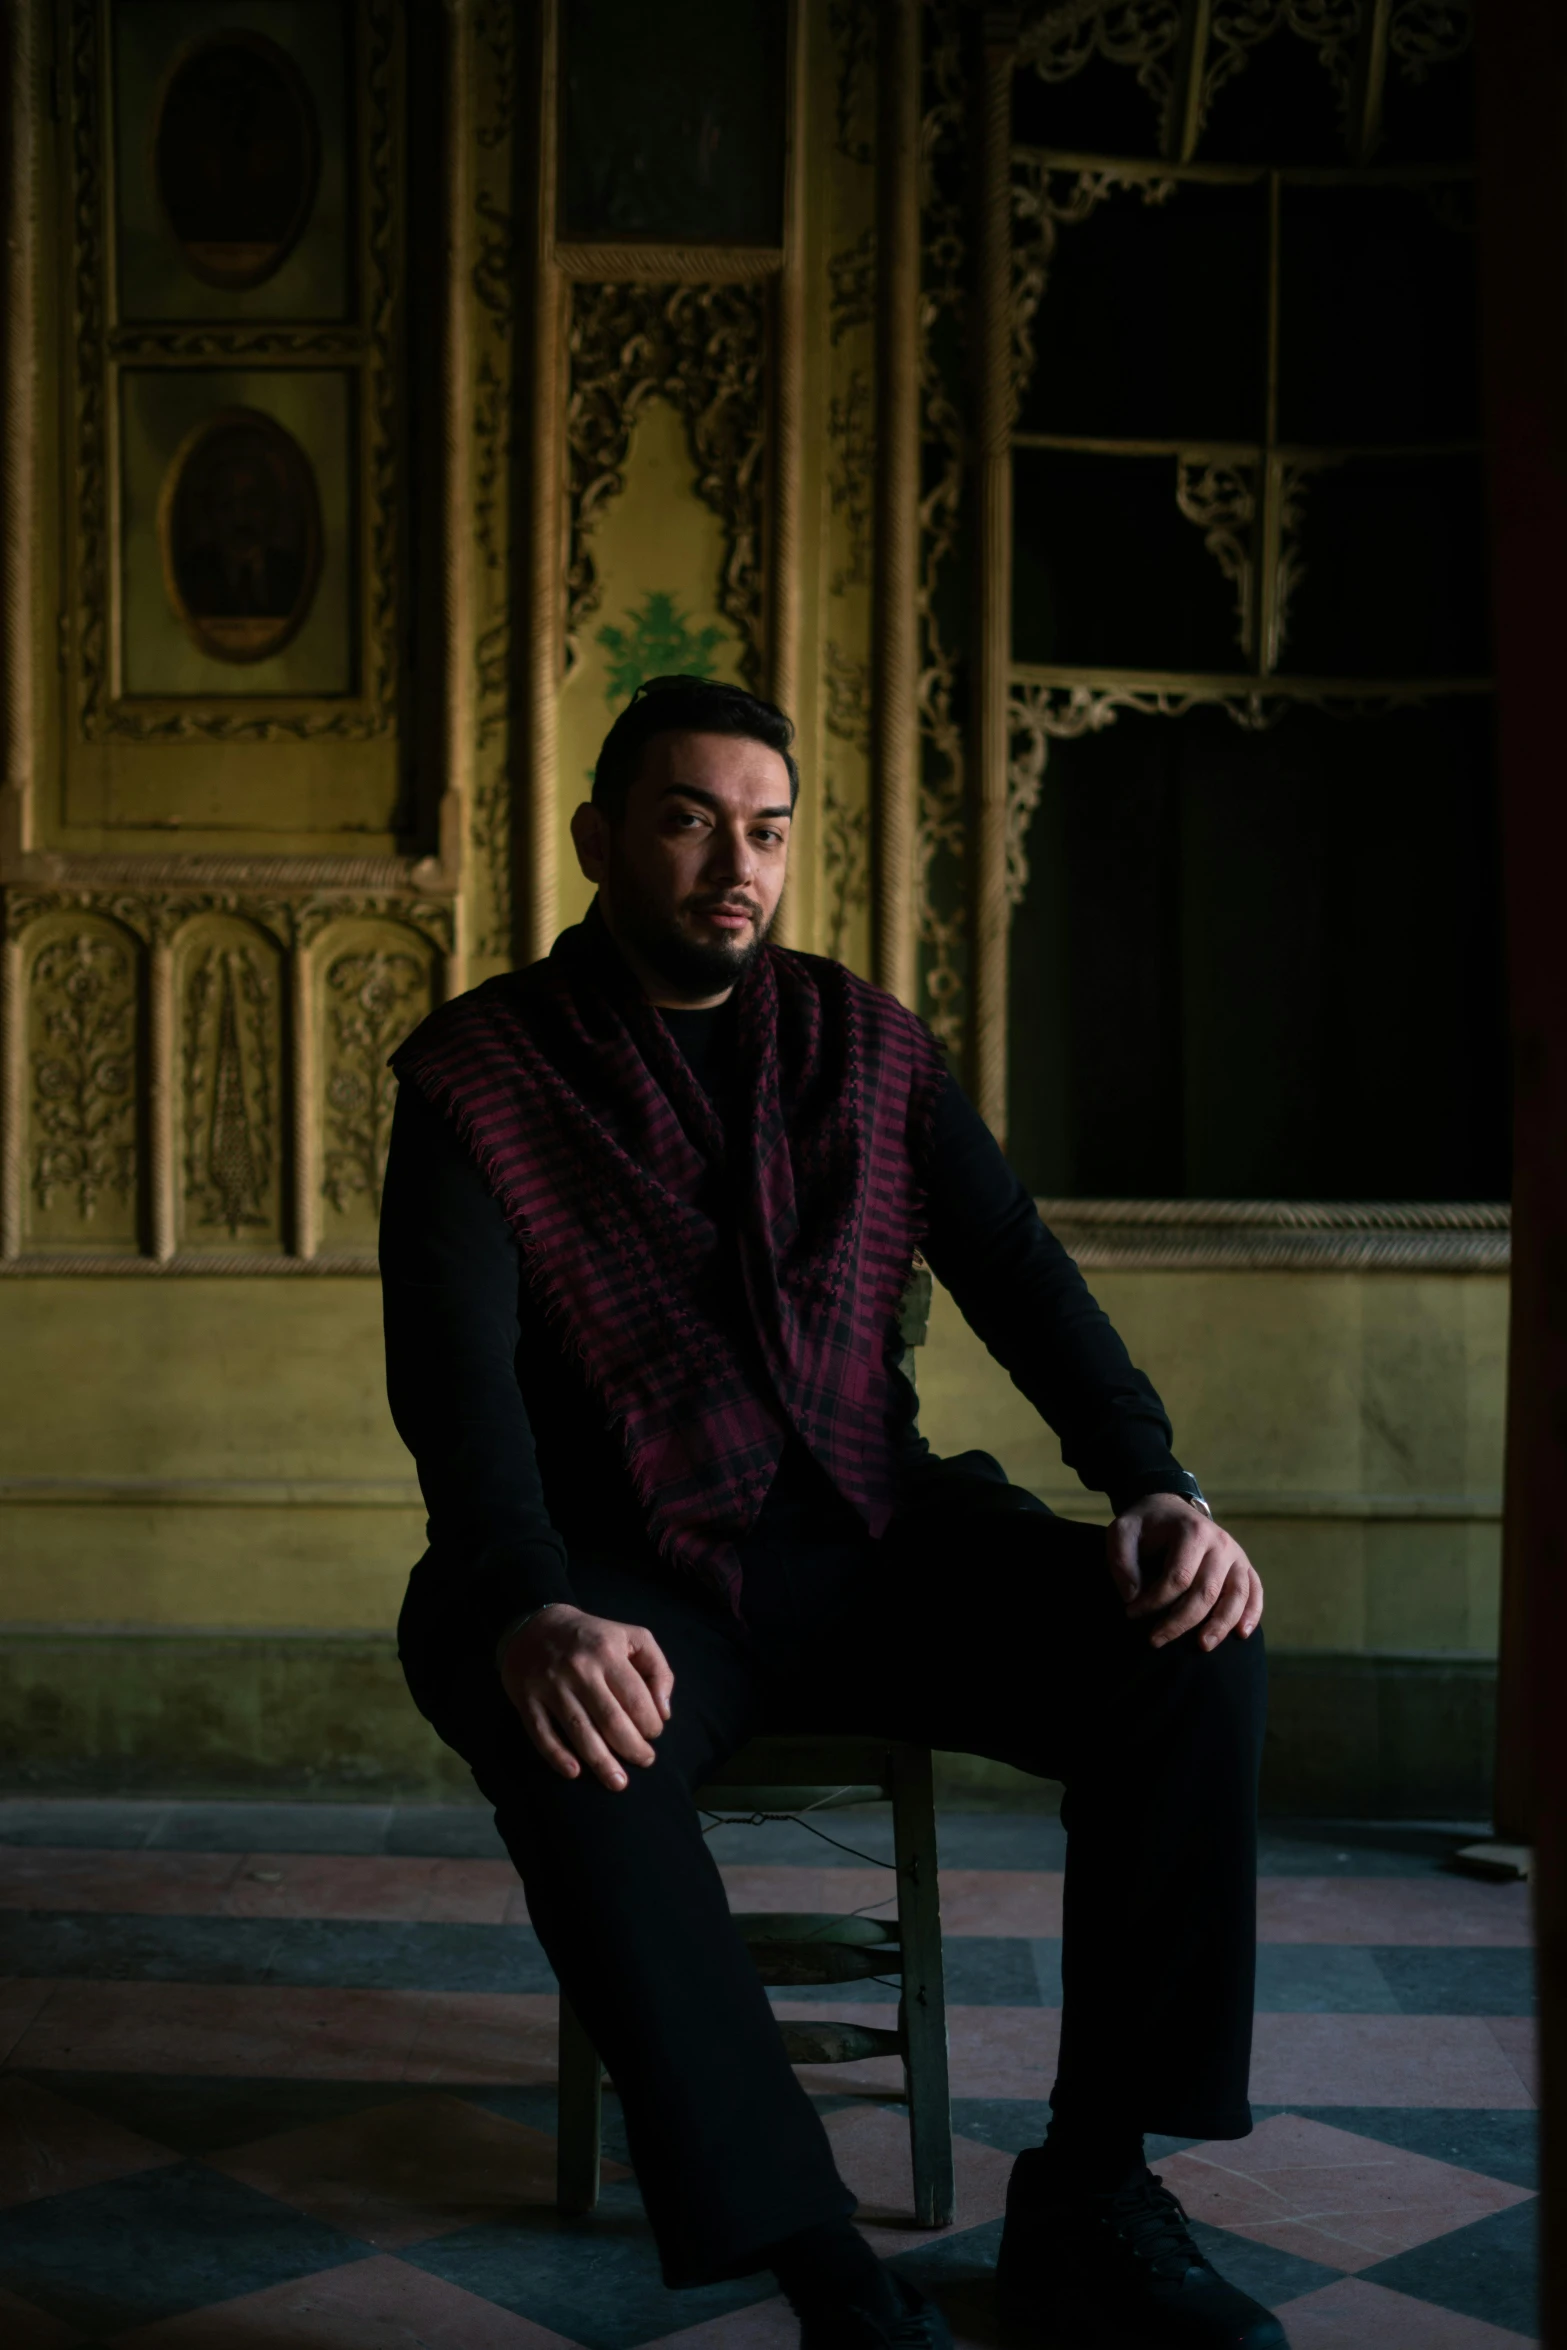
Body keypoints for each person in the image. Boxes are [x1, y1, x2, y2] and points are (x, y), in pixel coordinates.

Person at [380, 675, 1280, 2350]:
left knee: (1194, 1639)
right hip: (615, 1567)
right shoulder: (481, 1074)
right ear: (598, 838)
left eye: (768, 829)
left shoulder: (861, 1041)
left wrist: (1156, 1484)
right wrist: (527, 1598)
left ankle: (1088, 2191)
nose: (738, 862)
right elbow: (454, 1384)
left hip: (872, 1534)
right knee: (578, 1733)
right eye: (690, 818)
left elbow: (1014, 1267)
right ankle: (828, 2275)